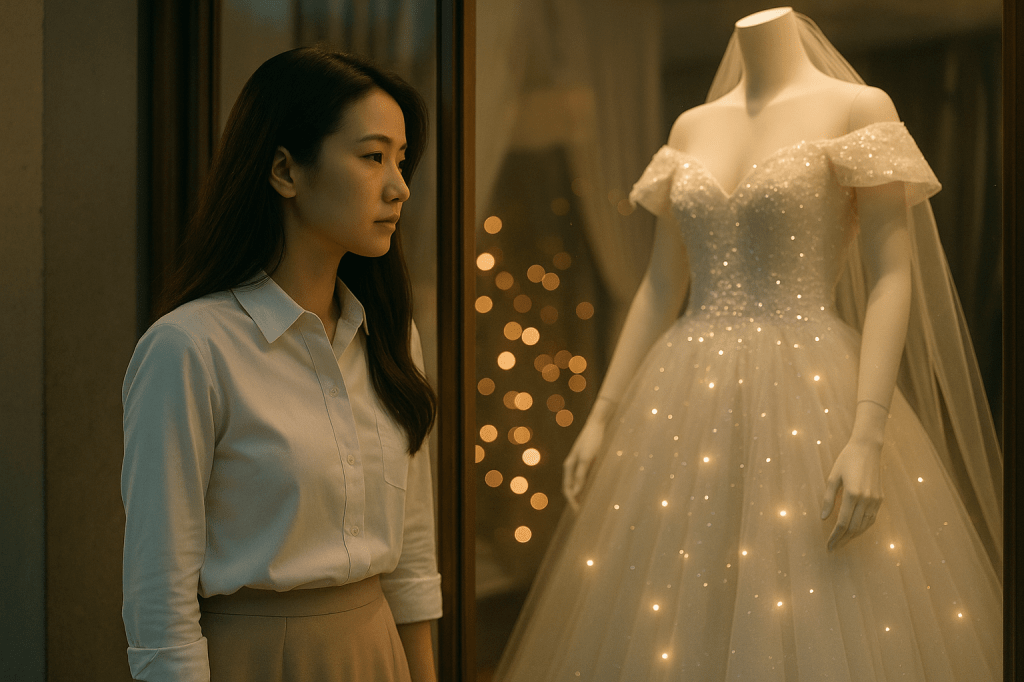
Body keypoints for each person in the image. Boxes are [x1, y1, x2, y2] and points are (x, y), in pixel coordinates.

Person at [496, 8, 1001, 681]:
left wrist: (868, 431)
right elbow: (659, 286)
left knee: (805, 594)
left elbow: (891, 276)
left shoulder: (856, 108)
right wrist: (602, 415)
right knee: (676, 599)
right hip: (684, 395)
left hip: (808, 386)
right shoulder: (691, 127)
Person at [121, 48, 441, 682]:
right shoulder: (189, 349)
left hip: (377, 653)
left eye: (401, 161)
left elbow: (411, 562)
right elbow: (159, 600)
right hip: (255, 660)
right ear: (285, 171)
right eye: (372, 157)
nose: (399, 187)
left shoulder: (391, 337)